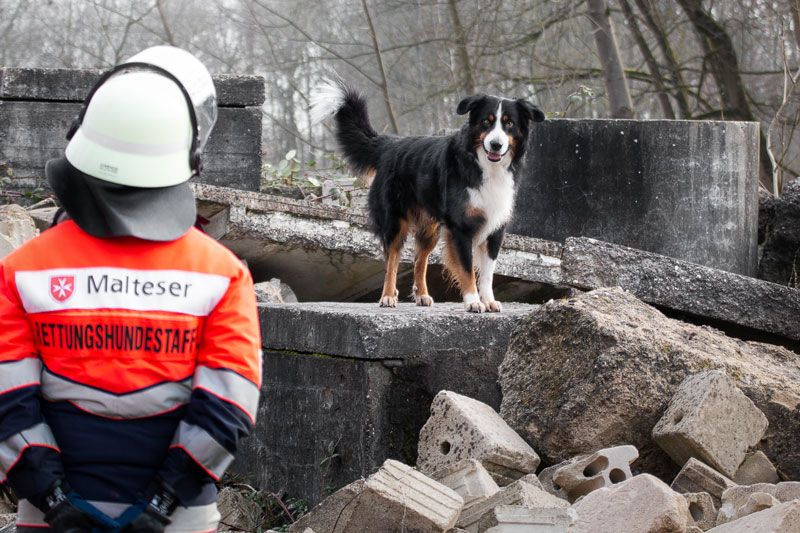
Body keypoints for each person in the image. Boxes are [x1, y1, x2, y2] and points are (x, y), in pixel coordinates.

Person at [0, 46, 262, 532]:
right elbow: (229, 406)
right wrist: (160, 505)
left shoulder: (22, 270)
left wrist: (56, 501)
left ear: (79, 137)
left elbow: (7, 401)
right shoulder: (222, 274)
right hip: (179, 517)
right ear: (190, 159)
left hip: (51, 516)